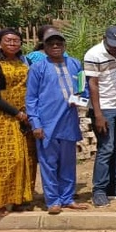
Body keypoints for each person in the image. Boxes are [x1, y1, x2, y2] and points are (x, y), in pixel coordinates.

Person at [25, 29, 88, 214]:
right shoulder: (38, 67)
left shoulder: (75, 64)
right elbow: (31, 98)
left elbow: (82, 91)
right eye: (51, 44)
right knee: (49, 164)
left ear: (64, 46)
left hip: (69, 123)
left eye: (58, 43)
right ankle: (53, 200)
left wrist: (79, 99)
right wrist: (35, 124)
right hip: (47, 124)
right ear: (44, 47)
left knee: (68, 163)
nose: (55, 47)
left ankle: (67, 198)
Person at [83, 26, 116, 206]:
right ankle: (99, 190)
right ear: (104, 39)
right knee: (106, 149)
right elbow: (92, 85)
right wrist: (99, 114)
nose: (115, 48)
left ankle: (115, 185)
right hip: (105, 109)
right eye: (112, 45)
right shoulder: (93, 54)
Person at [0, 29, 36, 214]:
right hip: (5, 117)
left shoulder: (24, 62)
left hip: (26, 116)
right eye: (8, 40)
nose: (13, 44)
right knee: (8, 159)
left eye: (16, 41)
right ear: (0, 43)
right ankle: (2, 201)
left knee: (27, 158)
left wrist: (27, 113)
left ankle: (20, 198)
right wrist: (16, 113)